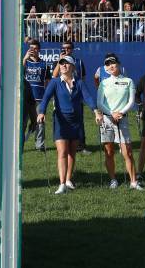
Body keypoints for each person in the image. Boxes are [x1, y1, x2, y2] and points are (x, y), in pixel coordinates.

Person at [37, 56, 100, 194]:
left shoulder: (79, 82)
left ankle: (68, 179)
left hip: (76, 121)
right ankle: (61, 184)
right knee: (62, 152)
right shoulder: (54, 82)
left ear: (73, 66)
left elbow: (88, 97)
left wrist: (96, 111)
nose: (64, 66)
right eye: (61, 63)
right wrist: (41, 112)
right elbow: (46, 98)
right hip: (61, 121)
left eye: (66, 63)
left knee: (72, 152)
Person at [97, 54, 143, 190]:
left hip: (122, 119)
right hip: (107, 119)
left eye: (113, 63)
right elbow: (100, 103)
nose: (111, 66)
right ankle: (113, 180)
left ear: (118, 64)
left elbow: (131, 101)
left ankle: (133, 182)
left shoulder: (128, 81)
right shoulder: (104, 83)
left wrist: (121, 113)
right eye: (108, 64)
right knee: (109, 152)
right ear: (106, 68)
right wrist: (112, 113)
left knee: (127, 152)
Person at [52, 40, 91, 155]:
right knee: (61, 121)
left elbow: (82, 79)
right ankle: (63, 145)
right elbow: (54, 76)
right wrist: (60, 62)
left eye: (68, 48)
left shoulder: (78, 62)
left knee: (79, 122)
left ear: (72, 49)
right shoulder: (58, 62)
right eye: (63, 48)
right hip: (62, 97)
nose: (66, 50)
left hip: (76, 97)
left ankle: (81, 145)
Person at [23, 39, 49, 151]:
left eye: (35, 48)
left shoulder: (44, 64)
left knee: (40, 122)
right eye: (31, 48)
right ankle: (20, 144)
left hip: (39, 97)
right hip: (26, 98)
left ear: (39, 50)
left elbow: (47, 81)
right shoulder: (25, 62)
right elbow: (18, 71)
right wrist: (24, 58)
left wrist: (46, 96)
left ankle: (39, 145)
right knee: (24, 122)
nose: (33, 50)